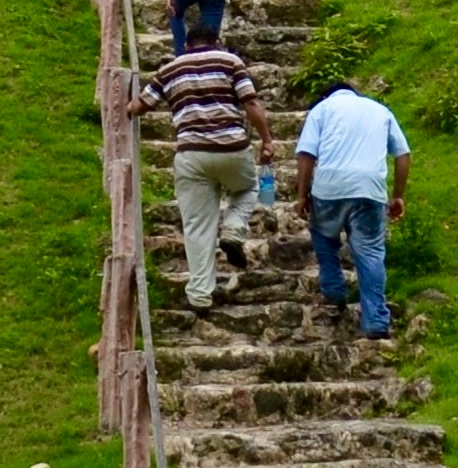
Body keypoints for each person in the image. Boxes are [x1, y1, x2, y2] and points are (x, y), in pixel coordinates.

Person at [141, 23, 271, 310]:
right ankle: (234, 229)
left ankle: (200, 295)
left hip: (192, 154)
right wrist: (267, 140)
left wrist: (128, 110)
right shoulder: (230, 62)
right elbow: (250, 103)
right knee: (248, 189)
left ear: (186, 45)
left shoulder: (171, 68)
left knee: (198, 226)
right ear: (217, 41)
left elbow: (142, 104)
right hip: (233, 148)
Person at [293, 78, 411, 340]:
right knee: (370, 252)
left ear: (327, 96)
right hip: (369, 190)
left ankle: (334, 290)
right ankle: (376, 321)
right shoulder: (380, 111)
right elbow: (403, 155)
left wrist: (302, 195)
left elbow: (306, 155)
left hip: (329, 188)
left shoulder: (321, 110)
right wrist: (398, 196)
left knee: (324, 237)